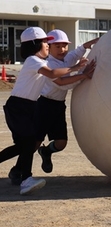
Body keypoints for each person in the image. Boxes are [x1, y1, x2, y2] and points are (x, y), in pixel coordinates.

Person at [1, 26, 88, 195]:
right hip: (18, 107)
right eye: (44, 42)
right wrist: (77, 68)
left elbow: (61, 80)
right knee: (28, 142)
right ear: (34, 45)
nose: (48, 45)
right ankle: (26, 179)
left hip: (28, 107)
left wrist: (82, 71)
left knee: (23, 146)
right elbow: (55, 73)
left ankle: (25, 177)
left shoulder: (42, 62)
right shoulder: (33, 60)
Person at [35, 29, 98, 174]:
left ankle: (46, 152)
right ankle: (19, 169)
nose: (62, 49)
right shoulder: (49, 64)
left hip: (58, 105)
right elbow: (63, 83)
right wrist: (83, 75)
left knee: (61, 143)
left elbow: (77, 52)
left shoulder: (67, 59)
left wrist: (91, 43)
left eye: (64, 46)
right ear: (48, 47)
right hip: (44, 105)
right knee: (34, 142)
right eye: (57, 46)